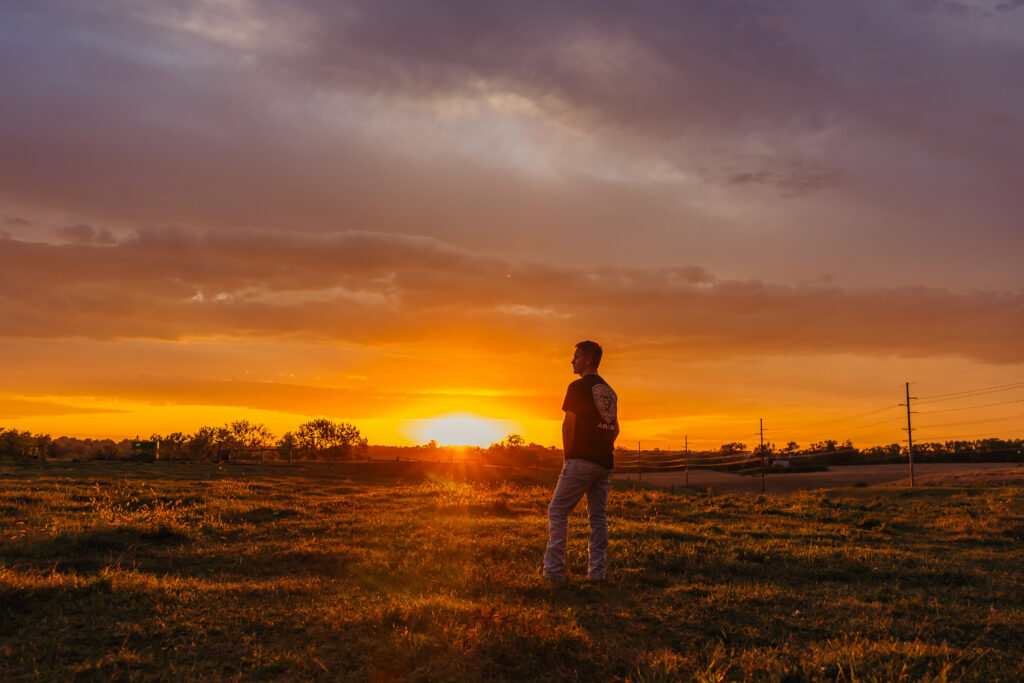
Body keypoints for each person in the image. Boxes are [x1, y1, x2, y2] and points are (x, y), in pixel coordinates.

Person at [543, 340, 619, 584]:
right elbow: (615, 427)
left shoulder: (577, 387)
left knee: (557, 511)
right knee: (598, 517)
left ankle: (554, 572)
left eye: (575, 357)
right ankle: (597, 574)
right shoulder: (610, 391)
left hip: (581, 459)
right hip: (604, 461)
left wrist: (568, 458)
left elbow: (569, 424)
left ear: (587, 360)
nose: (572, 361)